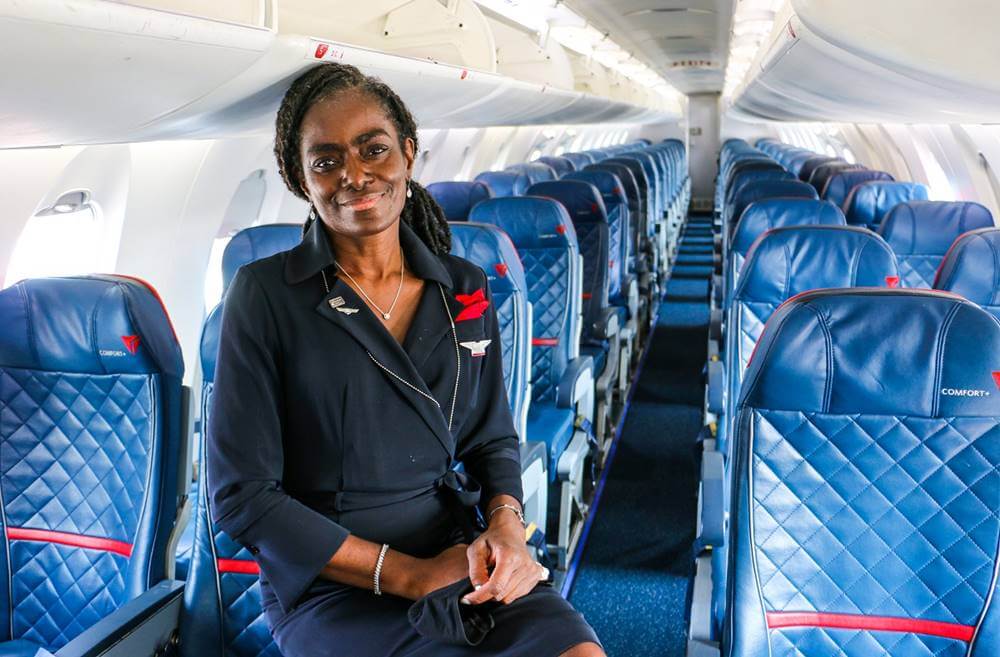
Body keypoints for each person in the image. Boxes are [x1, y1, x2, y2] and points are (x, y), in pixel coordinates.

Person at [207, 62, 604, 657]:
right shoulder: (265, 295)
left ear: (409, 153)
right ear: (299, 178)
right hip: (334, 581)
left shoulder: (463, 287)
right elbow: (243, 496)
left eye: (374, 150)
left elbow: (492, 439)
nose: (355, 175)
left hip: (458, 549)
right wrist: (408, 575)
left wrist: (505, 529)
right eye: (327, 161)